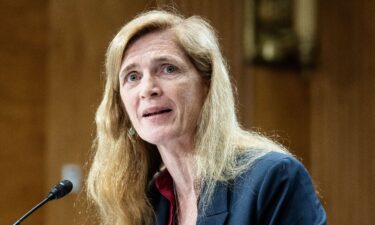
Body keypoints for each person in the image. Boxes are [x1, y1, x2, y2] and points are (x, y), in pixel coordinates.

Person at [86, 10, 326, 225]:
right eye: (132, 76)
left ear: (207, 86)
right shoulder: (150, 203)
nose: (147, 88)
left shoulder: (273, 179)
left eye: (168, 68)